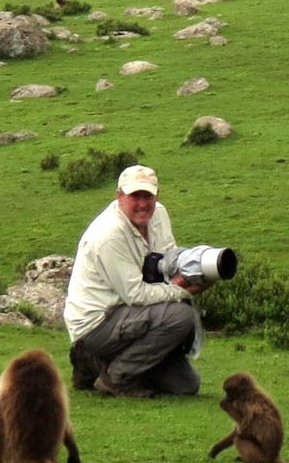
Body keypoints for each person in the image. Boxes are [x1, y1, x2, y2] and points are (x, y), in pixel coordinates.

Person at [65, 165, 210, 397]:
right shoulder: (109, 235)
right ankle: (116, 376)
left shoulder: (159, 214)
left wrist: (201, 271)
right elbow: (135, 294)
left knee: (186, 385)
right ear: (120, 196)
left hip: (133, 317)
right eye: (135, 196)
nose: (143, 204)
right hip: (98, 323)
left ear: (156, 196)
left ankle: (94, 363)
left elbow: (168, 260)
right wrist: (183, 289)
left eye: (148, 196)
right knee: (179, 316)